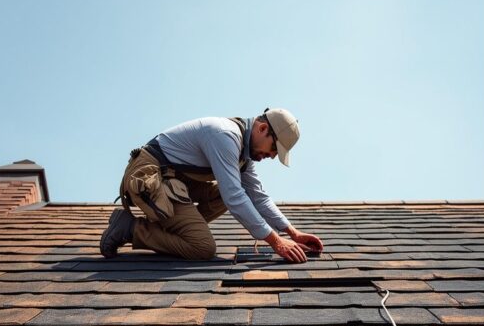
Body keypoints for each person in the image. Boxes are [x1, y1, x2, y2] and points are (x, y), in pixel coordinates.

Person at [99, 108, 323, 263]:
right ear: (262, 129)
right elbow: (234, 197)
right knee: (202, 247)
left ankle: (176, 229)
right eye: (274, 149)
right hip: (150, 175)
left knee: (232, 191)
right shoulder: (225, 135)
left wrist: (292, 233)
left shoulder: (244, 154)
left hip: (175, 178)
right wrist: (275, 241)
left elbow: (257, 196)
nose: (272, 156)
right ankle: (130, 228)